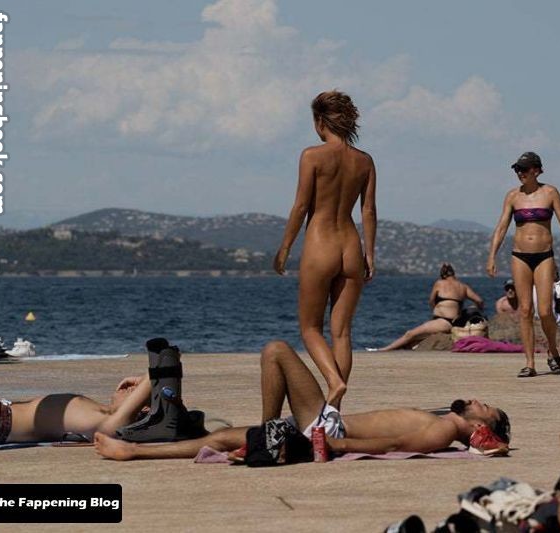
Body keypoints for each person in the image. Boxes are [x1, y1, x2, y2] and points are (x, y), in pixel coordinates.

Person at [94, 340, 511, 460]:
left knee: (276, 351)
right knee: (221, 437)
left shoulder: (443, 431)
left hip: (328, 429)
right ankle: (134, 451)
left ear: (481, 427)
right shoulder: (443, 422)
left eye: (484, 406)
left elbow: (393, 444)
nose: (476, 400)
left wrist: (336, 443)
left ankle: (265, 436)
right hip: (326, 425)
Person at [273, 91, 377, 408]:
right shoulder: (364, 161)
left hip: (321, 244)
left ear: (320, 122)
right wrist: (370, 254)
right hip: (351, 246)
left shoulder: (312, 156)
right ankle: (334, 410)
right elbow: (368, 211)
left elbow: (301, 206)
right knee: (342, 332)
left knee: (310, 328)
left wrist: (285, 247)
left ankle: (334, 382)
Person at [486, 152, 560, 377]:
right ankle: (529, 363)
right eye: (517, 169)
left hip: (544, 256)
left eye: (524, 169)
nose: (520, 173)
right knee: (525, 310)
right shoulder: (512, 196)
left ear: (536, 170)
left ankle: (552, 350)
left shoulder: (550, 193)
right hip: (519, 256)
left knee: (545, 311)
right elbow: (501, 228)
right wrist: (492, 256)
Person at [0, 345, 150, 445]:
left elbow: (159, 372)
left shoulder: (103, 422)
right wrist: (144, 383)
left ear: (141, 409)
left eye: (135, 392)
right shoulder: (95, 412)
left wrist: (148, 381)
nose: (130, 387)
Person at [372, 263, 484, 351]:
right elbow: (479, 300)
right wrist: (473, 309)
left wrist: (436, 310)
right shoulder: (463, 286)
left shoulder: (440, 283)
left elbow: (431, 301)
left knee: (410, 334)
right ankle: (401, 349)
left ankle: (384, 350)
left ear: (443, 275)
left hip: (443, 321)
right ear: (454, 274)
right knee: (413, 341)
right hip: (451, 321)